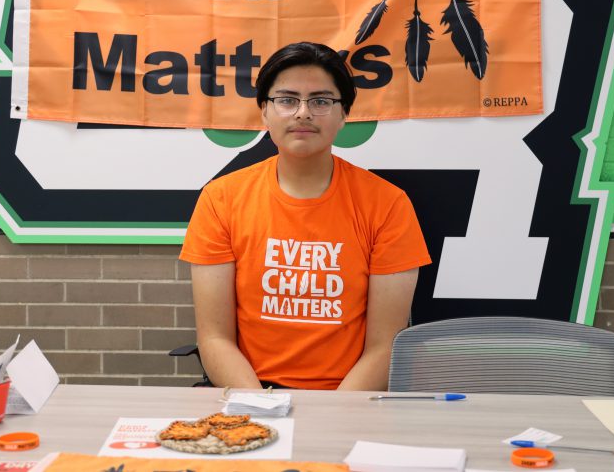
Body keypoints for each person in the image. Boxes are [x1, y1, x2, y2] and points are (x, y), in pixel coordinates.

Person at [179, 42, 430, 390]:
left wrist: (331, 419)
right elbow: (215, 338)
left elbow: (383, 346)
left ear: (344, 114)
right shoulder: (221, 199)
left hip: (347, 400)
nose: (303, 113)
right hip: (253, 395)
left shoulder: (387, 204)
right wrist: (261, 411)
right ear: (264, 111)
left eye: (321, 101)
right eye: (287, 99)